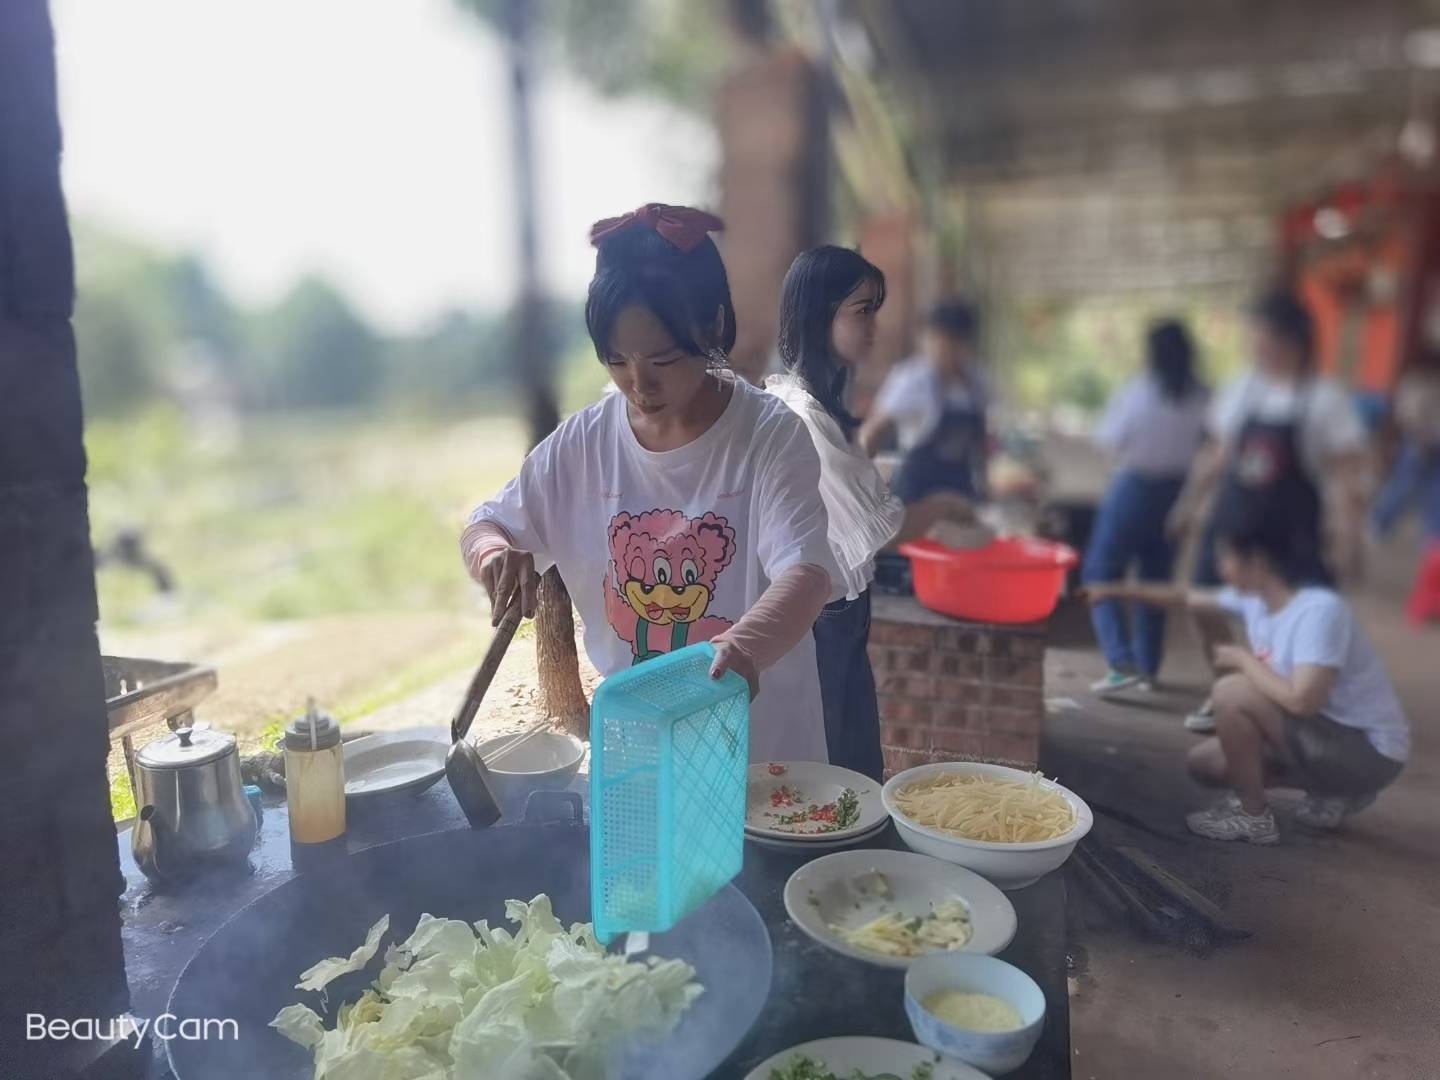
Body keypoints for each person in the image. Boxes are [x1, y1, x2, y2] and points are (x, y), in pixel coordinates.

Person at [461, 204, 841, 762]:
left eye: (663, 358)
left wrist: (741, 647)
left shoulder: (768, 435)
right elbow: (486, 524)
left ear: (712, 324)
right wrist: (495, 554)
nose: (639, 383)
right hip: (640, 761)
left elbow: (806, 575)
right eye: (617, 360)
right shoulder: (583, 445)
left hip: (765, 764)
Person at [766, 246, 975, 780]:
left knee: (850, 751)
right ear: (820, 314)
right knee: (841, 763)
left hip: (839, 608)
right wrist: (943, 507)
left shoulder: (815, 402)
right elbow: (883, 531)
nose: (874, 327)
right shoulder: (804, 416)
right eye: (862, 311)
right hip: (825, 616)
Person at [1085, 504, 1410, 846]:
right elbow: (1184, 597)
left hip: (1371, 753)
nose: (1221, 566)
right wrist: (1113, 591)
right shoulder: (1257, 600)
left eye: (1226, 557)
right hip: (1327, 737)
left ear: (1256, 562)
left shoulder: (1319, 612)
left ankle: (1254, 817)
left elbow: (1303, 701)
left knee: (1232, 691)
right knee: (1207, 763)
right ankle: (1331, 790)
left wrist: (1243, 660)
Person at [1168, 289, 1369, 732]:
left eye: (1259, 336)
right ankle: (1225, 688)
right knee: (1203, 603)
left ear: (1290, 340)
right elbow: (1216, 455)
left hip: (1290, 532)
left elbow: (1344, 480)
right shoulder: (1241, 389)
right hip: (1235, 523)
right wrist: (1188, 503)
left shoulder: (1324, 398)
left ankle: (1287, 707)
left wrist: (1348, 539)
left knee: (1299, 624)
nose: (1252, 345)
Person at [1083, 320, 1209, 695]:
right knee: (1156, 580)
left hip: (1134, 487)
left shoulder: (1139, 392)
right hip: (1177, 494)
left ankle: (1120, 659)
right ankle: (1149, 667)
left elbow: (1108, 441)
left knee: (1101, 571)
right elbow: (1211, 448)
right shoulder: (1204, 395)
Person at [860, 300, 991, 503]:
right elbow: (871, 433)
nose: (939, 347)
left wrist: (985, 487)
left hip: (960, 496)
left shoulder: (975, 382)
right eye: (933, 339)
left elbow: (980, 446)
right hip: (915, 498)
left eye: (950, 341)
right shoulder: (912, 380)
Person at [1371, 363, 1440, 624]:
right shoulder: (1417, 381)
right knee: (1405, 488)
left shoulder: (1417, 382)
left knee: (1419, 494)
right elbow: (1406, 414)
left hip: (1425, 444)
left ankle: (1383, 523)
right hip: (1420, 443)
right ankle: (1382, 522)